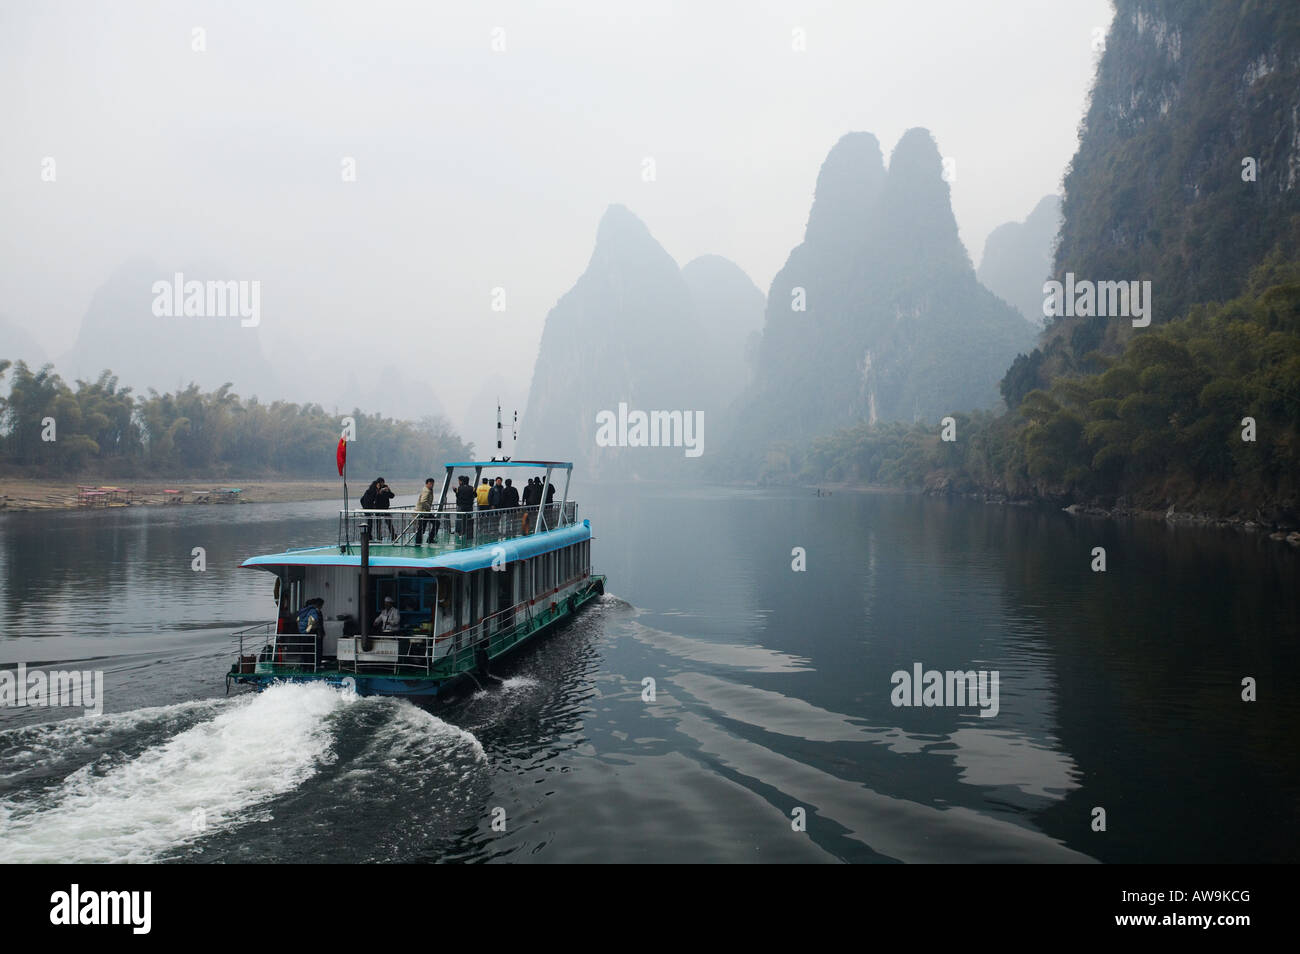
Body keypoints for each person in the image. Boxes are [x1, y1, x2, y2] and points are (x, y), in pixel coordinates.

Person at [296, 597, 326, 668]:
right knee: (314, 649)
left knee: (305, 649)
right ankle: (315, 665)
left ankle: (304, 665)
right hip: (312, 633)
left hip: (303, 633)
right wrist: (319, 632)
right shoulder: (314, 611)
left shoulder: (303, 611)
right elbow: (316, 623)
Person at [372, 477, 396, 541]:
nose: (382, 484)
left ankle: (394, 536)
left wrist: (388, 491)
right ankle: (379, 537)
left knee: (389, 523)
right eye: (381, 482)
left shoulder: (386, 487)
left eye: (383, 482)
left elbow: (392, 496)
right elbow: (373, 497)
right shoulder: (375, 488)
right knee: (378, 524)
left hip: (385, 508)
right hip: (378, 509)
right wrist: (379, 492)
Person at [414, 477, 437, 546]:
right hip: (423, 512)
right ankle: (418, 543)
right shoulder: (426, 490)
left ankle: (428, 539)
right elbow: (423, 501)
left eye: (433, 484)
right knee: (422, 529)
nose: (432, 485)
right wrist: (429, 507)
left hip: (426, 512)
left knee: (435, 523)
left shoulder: (429, 490)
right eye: (430, 484)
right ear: (427, 484)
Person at [454, 474, 476, 540]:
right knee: (469, 520)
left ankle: (461, 533)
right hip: (469, 507)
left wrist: (455, 490)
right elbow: (475, 495)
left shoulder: (459, 488)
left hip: (462, 507)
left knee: (462, 520)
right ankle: (468, 534)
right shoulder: (472, 488)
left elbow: (457, 496)